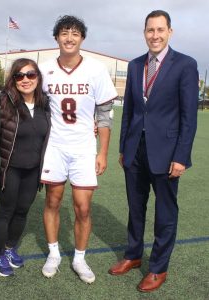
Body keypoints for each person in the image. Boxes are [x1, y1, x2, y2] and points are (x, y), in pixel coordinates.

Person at [108, 10, 199, 292]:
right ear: (144, 32)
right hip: (135, 150)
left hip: (168, 153)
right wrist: (124, 147)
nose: (155, 35)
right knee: (136, 209)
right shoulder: (136, 66)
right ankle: (133, 255)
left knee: (165, 213)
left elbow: (188, 116)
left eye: (160, 30)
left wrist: (181, 156)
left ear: (170, 31)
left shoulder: (185, 64)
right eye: (150, 30)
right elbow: (130, 112)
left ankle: (158, 268)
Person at [39, 15, 118, 284]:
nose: (69, 38)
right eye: (64, 33)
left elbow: (105, 115)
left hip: (84, 147)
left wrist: (103, 152)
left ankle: (80, 257)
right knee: (52, 201)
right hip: (55, 147)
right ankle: (53, 254)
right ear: (56, 38)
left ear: (82, 38)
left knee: (83, 208)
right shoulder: (44, 69)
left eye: (74, 33)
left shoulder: (95, 69)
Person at [0, 58, 51, 276]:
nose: (25, 79)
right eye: (19, 75)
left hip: (33, 170)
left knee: (23, 210)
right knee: (6, 211)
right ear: (13, 80)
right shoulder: (4, 101)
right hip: (10, 169)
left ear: (38, 77)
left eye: (30, 74)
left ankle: (9, 248)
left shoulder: (46, 103)